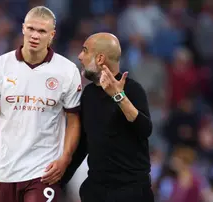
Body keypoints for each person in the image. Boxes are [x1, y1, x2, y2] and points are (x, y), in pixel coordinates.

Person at [0, 6, 82, 202]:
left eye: (42, 31)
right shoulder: (0, 66)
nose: (35, 35)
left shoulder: (67, 71)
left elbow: (74, 121)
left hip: (43, 172)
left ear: (52, 35)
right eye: (31, 29)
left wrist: (65, 158)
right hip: (6, 170)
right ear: (23, 28)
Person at [61, 33, 154, 202]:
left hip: (131, 191)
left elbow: (145, 129)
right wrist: (58, 182)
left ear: (100, 58)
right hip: (96, 191)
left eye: (85, 51)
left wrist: (119, 97)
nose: (80, 56)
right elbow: (83, 146)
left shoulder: (132, 89)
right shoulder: (88, 95)